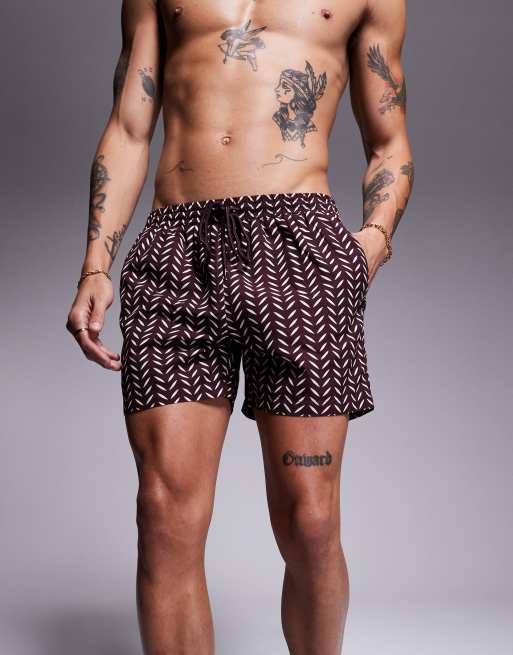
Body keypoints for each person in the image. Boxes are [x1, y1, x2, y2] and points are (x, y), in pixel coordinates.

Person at [66, 1, 413, 653]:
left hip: (298, 247)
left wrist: (370, 242)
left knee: (309, 521)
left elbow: (389, 142)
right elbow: (130, 126)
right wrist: (96, 264)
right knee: (163, 514)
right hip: (176, 247)